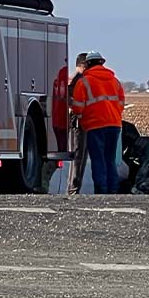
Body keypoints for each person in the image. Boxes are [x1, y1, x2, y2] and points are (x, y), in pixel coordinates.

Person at [71, 51, 125, 194]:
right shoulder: (114, 81)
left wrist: (83, 118)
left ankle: (101, 190)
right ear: (102, 62)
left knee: (98, 159)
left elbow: (77, 107)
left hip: (95, 126)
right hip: (114, 125)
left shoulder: (83, 82)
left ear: (87, 64)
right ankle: (112, 190)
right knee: (110, 159)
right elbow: (121, 102)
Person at [66, 52, 89, 194]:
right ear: (83, 65)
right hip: (77, 122)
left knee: (79, 156)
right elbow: (69, 100)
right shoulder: (77, 80)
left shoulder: (75, 79)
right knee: (78, 156)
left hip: (78, 120)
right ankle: (73, 189)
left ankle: (74, 188)